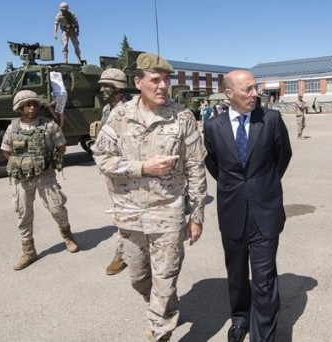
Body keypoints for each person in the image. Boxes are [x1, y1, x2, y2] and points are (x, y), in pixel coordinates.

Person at [91, 52, 207, 342]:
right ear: (138, 82)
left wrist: (197, 217)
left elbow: (195, 169)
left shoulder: (182, 118)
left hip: (168, 212)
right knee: (139, 277)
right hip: (129, 214)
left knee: (165, 279)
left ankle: (159, 331)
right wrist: (142, 167)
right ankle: (164, 304)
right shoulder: (119, 116)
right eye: (155, 80)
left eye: (167, 80)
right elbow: (102, 158)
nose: (162, 86)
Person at [203, 70, 292, 342]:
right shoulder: (213, 126)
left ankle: (263, 337)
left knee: (264, 280)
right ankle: (240, 319)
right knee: (237, 274)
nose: (255, 94)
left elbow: (283, 158)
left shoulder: (271, 120)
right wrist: (236, 188)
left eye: (256, 88)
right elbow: (214, 165)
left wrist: (261, 186)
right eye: (248, 90)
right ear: (229, 93)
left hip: (265, 211)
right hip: (231, 211)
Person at [1, 90, 80, 271]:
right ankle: (28, 251)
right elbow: (6, 152)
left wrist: (45, 159)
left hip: (46, 176)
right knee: (23, 213)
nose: (32, 107)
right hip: (22, 178)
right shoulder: (12, 128)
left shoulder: (49, 126)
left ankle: (68, 236)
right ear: (20, 108)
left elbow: (61, 148)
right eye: (28, 104)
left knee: (57, 207)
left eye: (35, 104)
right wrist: (23, 163)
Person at [97, 67, 130, 276]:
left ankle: (122, 253)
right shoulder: (107, 109)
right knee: (122, 210)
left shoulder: (130, 109)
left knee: (125, 212)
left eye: (105, 87)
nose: (101, 91)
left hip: (129, 169)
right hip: (113, 169)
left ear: (117, 88)